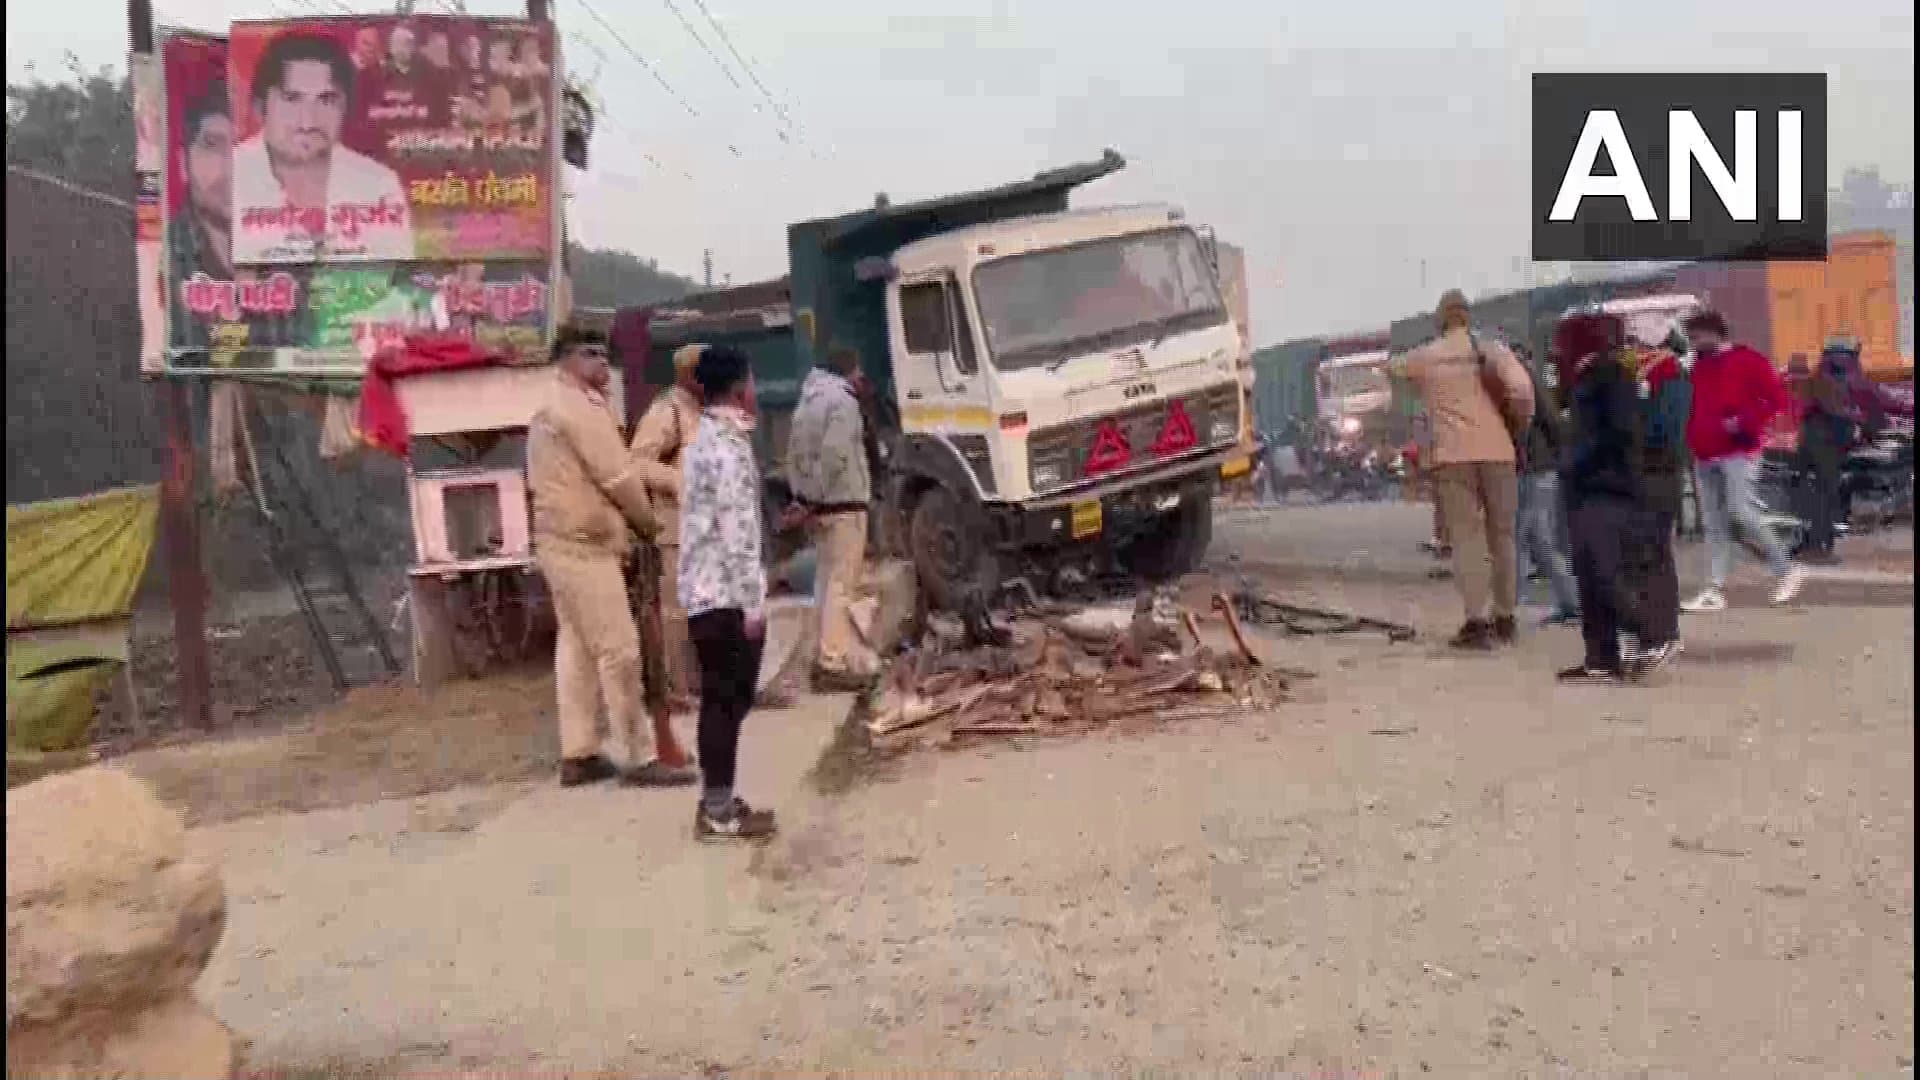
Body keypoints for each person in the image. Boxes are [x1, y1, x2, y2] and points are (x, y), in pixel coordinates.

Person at [527, 326, 699, 789]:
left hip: (561, 540)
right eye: (590, 355)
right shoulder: (575, 407)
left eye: (604, 355)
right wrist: (647, 522)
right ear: (565, 360)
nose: (602, 363)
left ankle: (578, 751)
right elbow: (618, 477)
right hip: (584, 542)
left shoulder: (556, 402)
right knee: (619, 649)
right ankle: (640, 754)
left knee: (578, 648)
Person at [1391, 290, 1535, 648]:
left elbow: (1393, 367)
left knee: (1467, 538)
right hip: (1499, 452)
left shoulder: (1428, 355)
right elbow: (1521, 388)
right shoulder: (1492, 350)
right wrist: (1517, 421)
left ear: (1441, 319)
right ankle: (1506, 618)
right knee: (1503, 536)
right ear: (1468, 317)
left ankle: (1477, 622)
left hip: (1454, 457)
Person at [680, 345, 779, 842]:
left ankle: (717, 798)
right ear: (741, 389)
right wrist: (753, 604)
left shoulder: (707, 439)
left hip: (706, 592)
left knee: (723, 701)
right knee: (725, 700)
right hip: (724, 597)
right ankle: (717, 810)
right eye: (754, 382)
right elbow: (738, 533)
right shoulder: (727, 448)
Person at [231, 32, 414, 263]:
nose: (308, 122)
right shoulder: (227, 179)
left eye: (326, 100)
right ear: (259, 108)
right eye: (291, 98)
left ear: (345, 109)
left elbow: (400, 279)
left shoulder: (379, 187)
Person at [1558, 333, 1677, 681]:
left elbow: (1619, 434)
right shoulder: (1590, 378)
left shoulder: (1609, 376)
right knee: (1590, 576)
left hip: (1607, 488)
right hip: (1593, 487)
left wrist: (1575, 462)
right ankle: (1601, 658)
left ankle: (1652, 636)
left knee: (1604, 572)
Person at [1679, 310, 1803, 612]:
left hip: (1738, 451)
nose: (1692, 343)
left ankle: (1786, 570)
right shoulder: (1698, 366)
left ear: (1713, 332)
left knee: (1741, 511)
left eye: (1696, 336)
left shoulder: (1748, 360)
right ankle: (1714, 588)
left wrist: (1744, 421)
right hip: (1705, 453)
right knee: (1714, 523)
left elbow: (1777, 399)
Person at [786, 345, 882, 692]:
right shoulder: (843, 403)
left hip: (821, 510)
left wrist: (803, 497)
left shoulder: (807, 401)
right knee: (842, 585)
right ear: (850, 371)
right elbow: (836, 453)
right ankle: (832, 662)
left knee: (825, 583)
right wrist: (815, 496)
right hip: (843, 506)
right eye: (858, 373)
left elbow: (793, 455)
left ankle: (823, 652)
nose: (861, 380)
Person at [629, 343, 708, 711]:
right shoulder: (667, 412)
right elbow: (637, 463)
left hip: (707, 531)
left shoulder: (706, 413)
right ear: (689, 374)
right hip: (674, 529)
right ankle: (674, 690)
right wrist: (676, 480)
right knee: (675, 613)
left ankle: (698, 683)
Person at [1625, 332, 1690, 662]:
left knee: (1652, 555)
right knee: (1648, 554)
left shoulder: (1667, 375)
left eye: (1636, 343)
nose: (1632, 350)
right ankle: (1657, 631)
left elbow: (1662, 429)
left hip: (1657, 472)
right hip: (1651, 473)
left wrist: (1630, 426)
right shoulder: (1656, 375)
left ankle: (1659, 633)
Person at [1512, 351, 1580, 625]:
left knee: (1522, 538)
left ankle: (1513, 606)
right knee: (1538, 542)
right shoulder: (1524, 375)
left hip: (1533, 466)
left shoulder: (1522, 377)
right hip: (1535, 465)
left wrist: (1557, 457)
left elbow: (1552, 420)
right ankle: (1570, 603)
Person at [1794, 346, 1860, 564]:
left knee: (1824, 495)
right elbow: (1834, 410)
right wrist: (1856, 416)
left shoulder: (1825, 377)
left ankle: (1818, 545)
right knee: (1825, 496)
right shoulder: (1825, 380)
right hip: (1822, 445)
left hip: (1821, 443)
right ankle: (1817, 548)